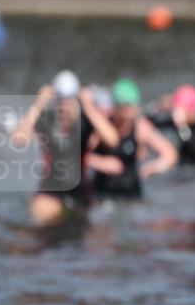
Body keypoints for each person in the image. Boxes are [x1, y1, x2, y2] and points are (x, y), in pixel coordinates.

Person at [11, 70, 119, 226]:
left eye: (68, 101)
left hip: (80, 189)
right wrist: (38, 103)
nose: (64, 106)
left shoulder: (85, 120)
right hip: (50, 188)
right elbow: (17, 139)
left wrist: (89, 106)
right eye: (60, 101)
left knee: (85, 231)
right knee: (41, 223)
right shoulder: (47, 119)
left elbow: (113, 140)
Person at [90, 78, 178, 199]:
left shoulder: (140, 128)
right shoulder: (103, 127)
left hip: (132, 196)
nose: (129, 115)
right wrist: (101, 162)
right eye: (125, 110)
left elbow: (170, 154)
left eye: (133, 108)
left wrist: (152, 167)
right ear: (115, 107)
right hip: (103, 195)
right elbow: (79, 156)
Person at [148, 84, 195, 166]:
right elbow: (148, 122)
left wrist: (182, 126)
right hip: (178, 166)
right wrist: (157, 107)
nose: (180, 113)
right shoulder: (173, 122)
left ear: (194, 111)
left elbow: (194, 150)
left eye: (184, 110)